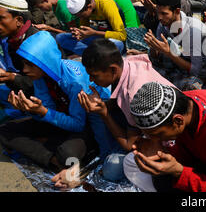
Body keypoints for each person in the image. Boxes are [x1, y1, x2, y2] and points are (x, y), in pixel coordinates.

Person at [51, 38, 175, 187]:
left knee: (111, 169)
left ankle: (102, 159)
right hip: (145, 127)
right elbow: (118, 102)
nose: (90, 79)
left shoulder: (134, 93)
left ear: (112, 69)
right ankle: (104, 155)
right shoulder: (126, 64)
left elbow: (129, 146)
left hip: (168, 141)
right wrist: (103, 105)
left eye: (94, 75)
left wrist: (104, 113)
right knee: (98, 113)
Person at [0, 31, 116, 176]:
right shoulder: (41, 77)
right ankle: (53, 160)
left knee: (67, 153)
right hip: (62, 120)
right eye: (24, 64)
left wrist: (43, 112)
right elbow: (48, 111)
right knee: (5, 130)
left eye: (30, 64)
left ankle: (60, 152)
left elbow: (78, 124)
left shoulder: (74, 82)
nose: (24, 70)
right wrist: (31, 110)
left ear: (45, 61)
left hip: (84, 124)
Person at [145, 0, 206, 91]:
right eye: (158, 12)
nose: (159, 17)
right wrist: (154, 46)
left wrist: (169, 53)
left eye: (164, 13)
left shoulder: (194, 30)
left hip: (197, 73)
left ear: (177, 11)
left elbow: (196, 70)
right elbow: (157, 58)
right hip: (175, 67)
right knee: (144, 69)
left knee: (192, 86)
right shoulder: (163, 24)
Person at [56, 0, 126, 56]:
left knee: (117, 44)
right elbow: (85, 28)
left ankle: (93, 55)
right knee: (60, 37)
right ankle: (93, 54)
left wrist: (94, 32)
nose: (80, 18)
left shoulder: (107, 5)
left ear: (89, 7)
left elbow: (122, 36)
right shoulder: (85, 5)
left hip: (112, 38)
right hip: (97, 37)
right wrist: (79, 33)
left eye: (81, 16)